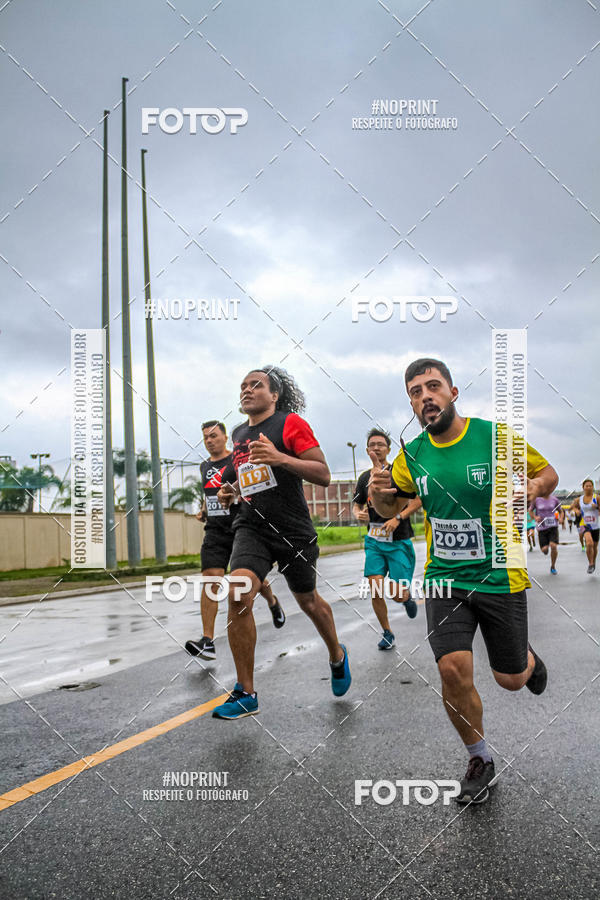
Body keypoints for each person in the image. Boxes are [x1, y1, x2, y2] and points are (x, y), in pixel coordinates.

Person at [370, 358, 558, 805]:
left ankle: (526, 660)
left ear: (453, 393)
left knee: (510, 680)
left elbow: (549, 476)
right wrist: (379, 494)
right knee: (451, 669)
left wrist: (532, 489)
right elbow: (386, 506)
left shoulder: (493, 437)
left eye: (432, 387)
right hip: (444, 578)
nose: (424, 397)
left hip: (499, 574)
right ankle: (480, 758)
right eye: (415, 392)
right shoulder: (411, 454)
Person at [212, 366, 351, 719]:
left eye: (256, 385)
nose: (246, 390)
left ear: (274, 395)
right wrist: (230, 493)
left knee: (308, 601)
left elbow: (322, 474)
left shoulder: (290, 424)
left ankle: (336, 653)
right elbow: (235, 479)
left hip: (293, 531)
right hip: (251, 528)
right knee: (238, 592)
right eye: (242, 385)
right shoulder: (241, 434)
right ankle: (246, 692)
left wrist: (280, 458)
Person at [184, 420, 285, 661]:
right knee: (210, 578)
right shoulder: (204, 466)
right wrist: (204, 510)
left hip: (241, 526)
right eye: (205, 437)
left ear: (224, 437)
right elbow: (210, 494)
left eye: (213, 436)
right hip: (215, 531)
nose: (209, 441)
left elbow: (249, 488)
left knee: (249, 580)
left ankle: (272, 602)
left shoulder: (235, 461)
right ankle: (207, 641)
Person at [353, 427, 421, 650]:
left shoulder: (399, 473)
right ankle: (387, 632)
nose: (376, 448)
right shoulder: (365, 478)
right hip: (374, 540)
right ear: (367, 450)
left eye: (380, 444)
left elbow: (418, 500)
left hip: (398, 540)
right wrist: (358, 514)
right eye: (372, 445)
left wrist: (398, 518)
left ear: (388, 449)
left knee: (398, 595)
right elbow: (357, 504)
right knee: (374, 586)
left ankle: (407, 599)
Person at [571, 479, 600, 574]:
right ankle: (590, 563)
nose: (588, 487)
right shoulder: (579, 499)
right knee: (589, 543)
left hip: (595, 525)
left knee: (595, 546)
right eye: (586, 486)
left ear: (593, 487)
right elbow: (572, 507)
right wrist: (576, 510)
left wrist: (596, 507)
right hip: (584, 524)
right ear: (583, 487)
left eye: (590, 485)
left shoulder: (597, 498)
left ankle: (593, 562)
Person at [530, 494, 561, 575]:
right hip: (542, 528)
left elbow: (561, 511)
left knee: (553, 546)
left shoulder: (554, 499)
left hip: (553, 526)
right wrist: (535, 517)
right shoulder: (536, 499)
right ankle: (545, 549)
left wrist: (561, 518)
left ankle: (553, 566)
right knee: (545, 550)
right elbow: (530, 511)